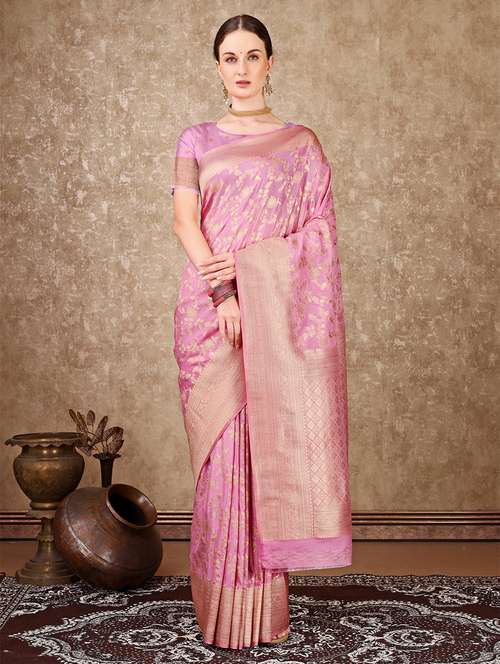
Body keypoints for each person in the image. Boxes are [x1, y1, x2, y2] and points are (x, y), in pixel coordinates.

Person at [170, 14, 352, 650]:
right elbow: (186, 223)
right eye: (230, 57)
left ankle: (262, 613)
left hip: (275, 314)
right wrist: (224, 293)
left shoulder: (301, 144)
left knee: (263, 455)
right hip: (208, 312)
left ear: (271, 62)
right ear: (217, 67)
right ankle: (222, 611)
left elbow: (320, 232)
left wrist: (254, 277)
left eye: (253, 56)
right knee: (222, 462)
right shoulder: (196, 138)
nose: (242, 68)